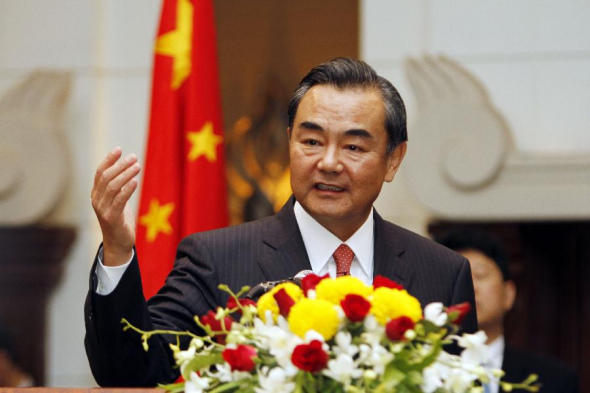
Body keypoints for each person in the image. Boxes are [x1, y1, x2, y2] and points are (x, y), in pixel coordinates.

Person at [85, 58, 478, 387]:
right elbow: (131, 371)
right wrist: (118, 249)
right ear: (290, 142)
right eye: (311, 141)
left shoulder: (442, 273)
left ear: (393, 159)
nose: (328, 162)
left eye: (354, 146)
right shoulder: (216, 259)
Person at [436, 228, 579, 393]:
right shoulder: (417, 369)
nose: (469, 287)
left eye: (480, 275)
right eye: (454, 278)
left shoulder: (555, 380)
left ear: (509, 294)